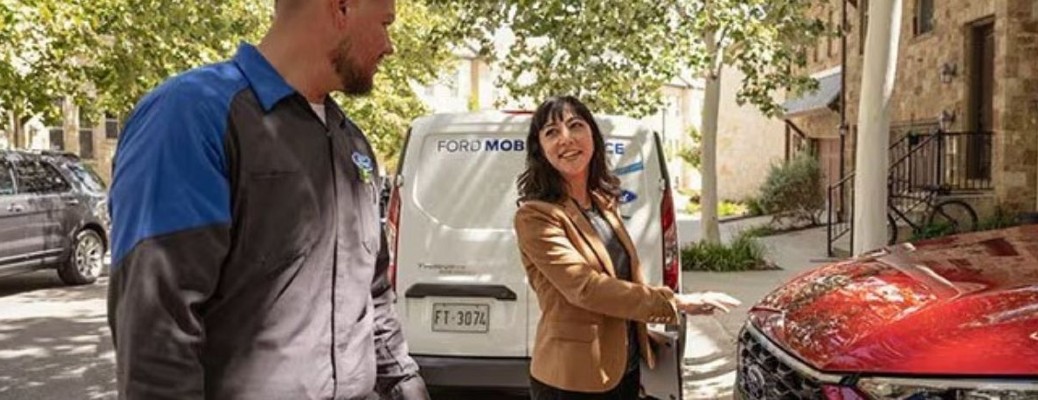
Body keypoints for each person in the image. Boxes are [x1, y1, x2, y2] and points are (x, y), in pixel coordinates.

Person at [107, 0, 428, 399]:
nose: (389, 45)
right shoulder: (191, 115)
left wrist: (404, 385)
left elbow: (372, 293)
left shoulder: (352, 143)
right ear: (341, 8)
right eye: (385, 23)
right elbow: (155, 330)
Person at [513, 96, 741, 400]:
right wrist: (676, 303)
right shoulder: (536, 216)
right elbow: (586, 288)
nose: (566, 138)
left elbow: (623, 278)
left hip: (624, 367)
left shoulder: (602, 203)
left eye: (575, 125)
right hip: (572, 378)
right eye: (551, 132)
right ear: (540, 150)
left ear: (593, 136)